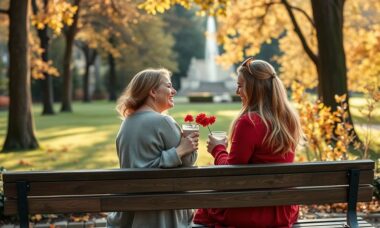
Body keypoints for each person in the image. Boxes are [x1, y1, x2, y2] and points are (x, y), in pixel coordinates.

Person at [193, 58, 302, 228]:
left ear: (254, 88)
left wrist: (218, 149)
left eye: (240, 86)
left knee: (204, 207)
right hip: (283, 210)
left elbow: (232, 175)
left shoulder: (249, 123)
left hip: (251, 212)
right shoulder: (289, 119)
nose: (237, 91)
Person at [107, 68, 199, 228]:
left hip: (130, 215)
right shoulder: (164, 122)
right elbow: (188, 162)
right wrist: (185, 147)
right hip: (162, 215)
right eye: (169, 86)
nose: (174, 91)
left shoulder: (125, 124)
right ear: (153, 92)